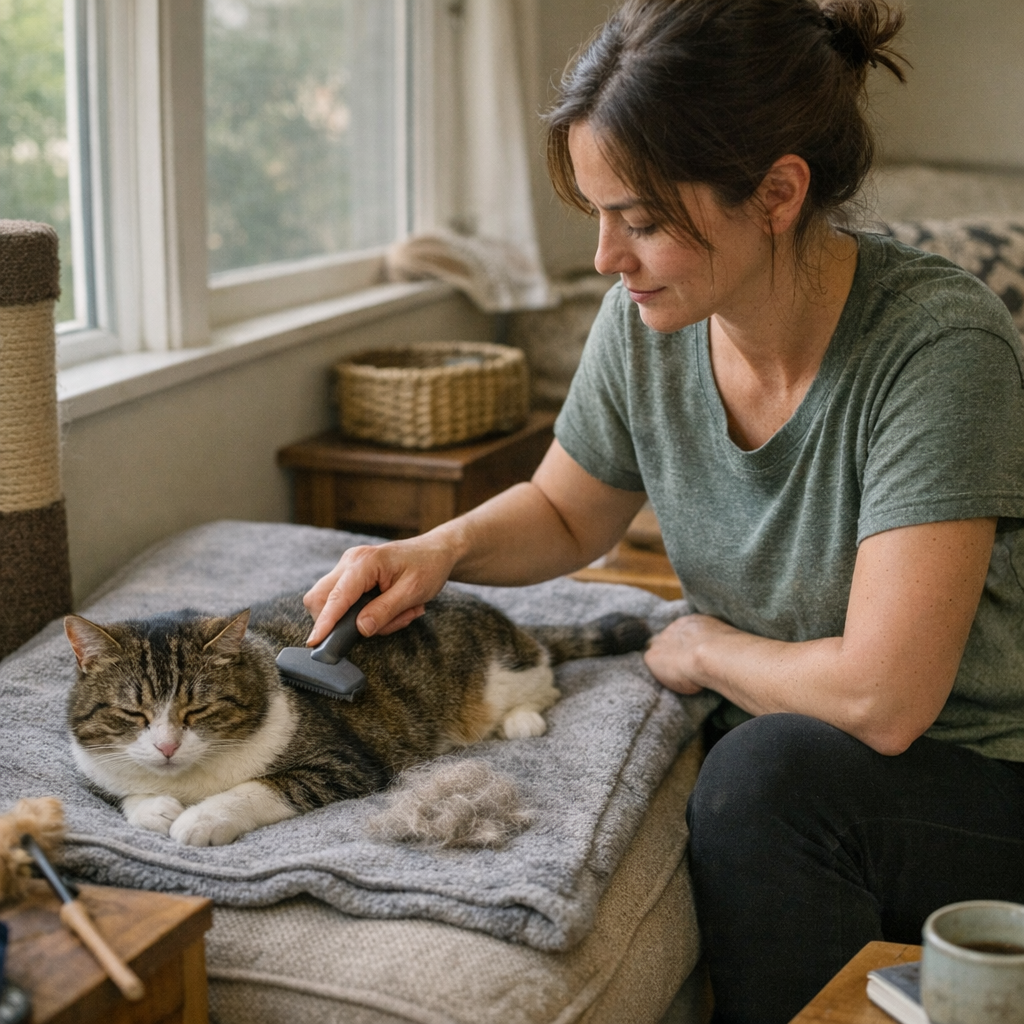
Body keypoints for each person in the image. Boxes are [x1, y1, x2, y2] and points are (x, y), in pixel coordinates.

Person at [305, 1, 1024, 1020]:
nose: (605, 257)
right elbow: (566, 513)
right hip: (806, 728)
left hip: (976, 773)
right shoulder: (645, 327)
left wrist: (698, 647)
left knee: (764, 777)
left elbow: (884, 699)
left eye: (639, 220)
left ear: (777, 191)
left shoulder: (938, 346)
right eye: (597, 214)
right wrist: (439, 547)